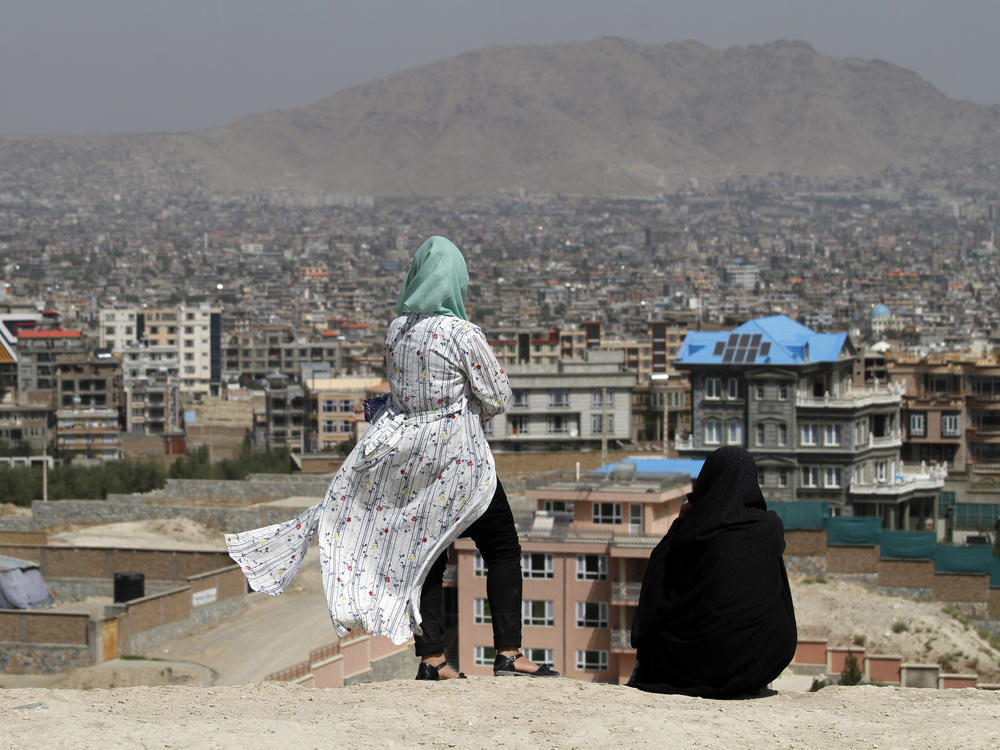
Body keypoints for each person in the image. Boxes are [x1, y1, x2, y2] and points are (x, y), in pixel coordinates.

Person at [226, 236, 555, 680]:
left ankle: (432, 659)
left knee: (427, 556)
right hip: (460, 463)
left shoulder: (396, 330)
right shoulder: (463, 335)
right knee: (501, 548)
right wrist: (465, 407)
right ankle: (509, 655)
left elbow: (402, 394)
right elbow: (497, 397)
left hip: (406, 461)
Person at [628, 446, 796, 697]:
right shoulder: (769, 529)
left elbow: (654, 590)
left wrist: (679, 525)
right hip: (756, 665)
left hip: (689, 668)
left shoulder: (691, 532)